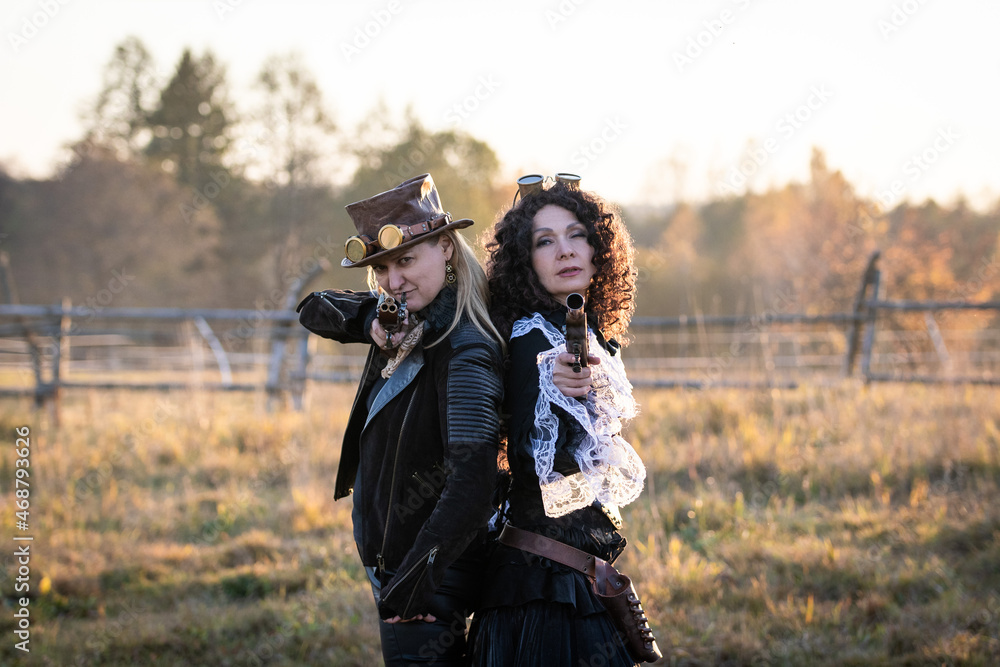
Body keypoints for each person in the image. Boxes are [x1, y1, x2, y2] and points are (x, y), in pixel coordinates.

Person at [297, 173, 505, 666]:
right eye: (382, 270)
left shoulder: (464, 348)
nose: (393, 281)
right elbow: (313, 309)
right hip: (406, 570)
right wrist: (370, 321)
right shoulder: (402, 317)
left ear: (447, 249)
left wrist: (414, 582)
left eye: (407, 260)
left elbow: (473, 482)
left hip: (431, 578)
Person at [470, 175, 652, 666]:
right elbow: (535, 458)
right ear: (524, 262)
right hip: (543, 582)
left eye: (576, 236)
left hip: (562, 568)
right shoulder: (534, 336)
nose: (564, 251)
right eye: (544, 242)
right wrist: (555, 382)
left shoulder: (586, 329)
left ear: (599, 251)